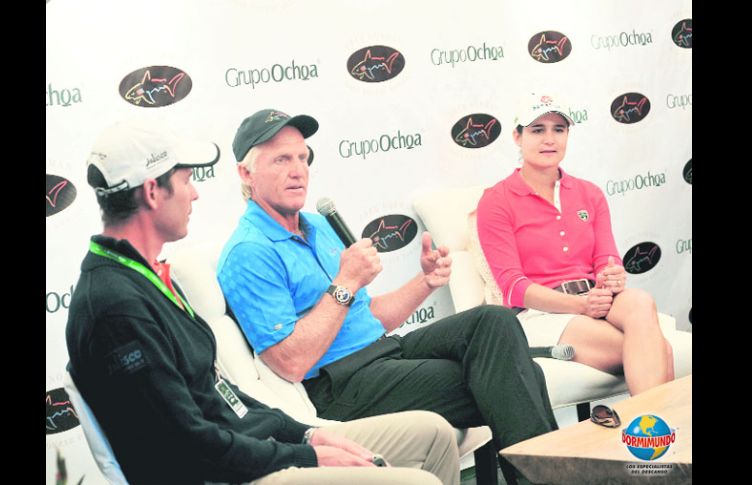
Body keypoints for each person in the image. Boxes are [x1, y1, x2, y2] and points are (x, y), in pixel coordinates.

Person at [65, 120, 462, 485]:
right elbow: (189, 445)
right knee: (417, 482)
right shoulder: (115, 307)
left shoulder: (148, 279)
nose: (196, 192)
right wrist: (307, 457)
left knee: (436, 435)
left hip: (253, 450)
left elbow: (223, 397)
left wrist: (306, 432)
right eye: (187, 180)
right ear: (153, 191)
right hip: (229, 473)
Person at [217, 109, 559, 485]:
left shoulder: (316, 225)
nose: (298, 170)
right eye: (281, 159)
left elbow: (366, 316)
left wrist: (425, 282)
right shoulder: (249, 251)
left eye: (302, 157)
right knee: (518, 377)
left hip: (386, 352)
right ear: (246, 174)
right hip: (338, 385)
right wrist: (346, 281)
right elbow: (290, 362)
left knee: (494, 320)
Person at [475, 93, 674, 396]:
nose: (549, 139)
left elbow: (606, 258)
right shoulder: (496, 200)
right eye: (537, 130)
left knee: (640, 302)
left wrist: (613, 275)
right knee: (656, 350)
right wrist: (580, 305)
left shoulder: (589, 193)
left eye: (559, 129)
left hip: (595, 300)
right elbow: (514, 288)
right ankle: (653, 438)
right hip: (539, 313)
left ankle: (653, 436)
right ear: (518, 136)